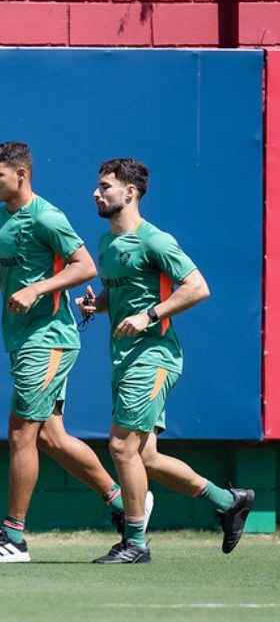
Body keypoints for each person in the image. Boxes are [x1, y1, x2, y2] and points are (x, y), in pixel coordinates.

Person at [0, 142, 143, 563]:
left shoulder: (46, 215)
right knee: (52, 438)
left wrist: (37, 288)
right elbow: (14, 282)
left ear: (22, 175)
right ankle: (123, 506)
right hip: (22, 338)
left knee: (20, 433)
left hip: (49, 339)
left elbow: (85, 266)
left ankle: (14, 538)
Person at [77, 158, 255, 564]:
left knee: (122, 447)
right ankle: (230, 501)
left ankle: (136, 543)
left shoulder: (155, 240)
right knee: (146, 457)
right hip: (125, 359)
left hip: (154, 357)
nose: (96, 193)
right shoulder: (108, 243)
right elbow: (121, 296)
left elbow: (197, 287)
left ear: (130, 192)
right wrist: (98, 305)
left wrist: (150, 315)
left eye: (105, 186)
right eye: (98, 186)